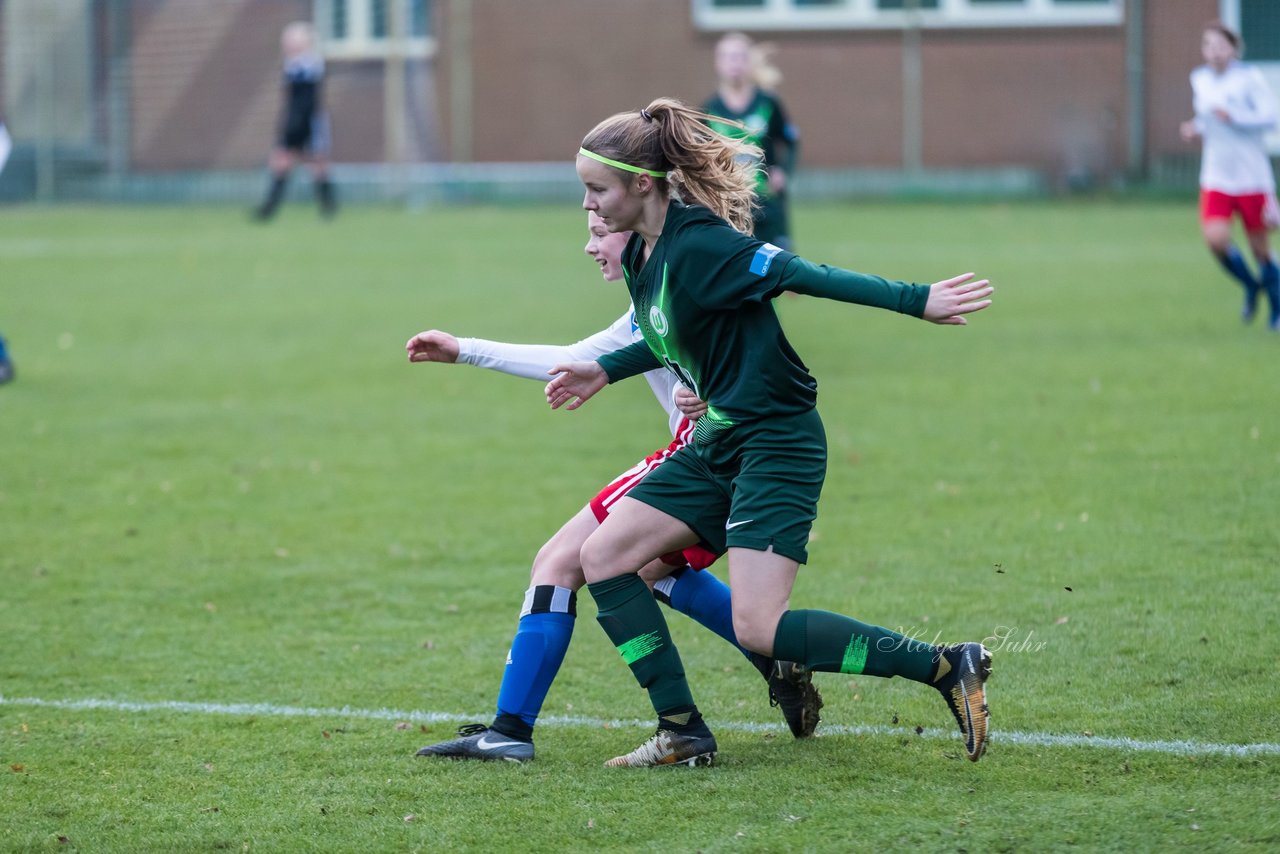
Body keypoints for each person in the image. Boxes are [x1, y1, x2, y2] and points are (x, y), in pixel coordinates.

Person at [545, 98, 995, 768]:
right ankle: (683, 731)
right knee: (604, 559)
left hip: (775, 444)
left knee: (759, 625)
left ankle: (942, 665)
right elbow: (672, 332)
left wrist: (914, 299)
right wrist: (605, 371)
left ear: (642, 185)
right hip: (718, 444)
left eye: (596, 190)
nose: (589, 205)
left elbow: (798, 273)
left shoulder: (701, 245)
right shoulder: (644, 254)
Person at [408, 211, 823, 762]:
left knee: (561, 561)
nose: (589, 245)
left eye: (600, 229)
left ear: (640, 223)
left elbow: (747, 368)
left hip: (707, 461)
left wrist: (708, 398)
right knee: (648, 571)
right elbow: (577, 360)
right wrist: (464, 348)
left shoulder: (679, 293)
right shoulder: (652, 304)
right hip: (718, 462)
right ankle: (770, 659)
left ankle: (514, 730)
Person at [1179, 20, 1280, 330]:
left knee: (1260, 248)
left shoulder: (1249, 79)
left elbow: (1270, 118)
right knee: (1216, 240)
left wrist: (1235, 116)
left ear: (1234, 49)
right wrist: (1194, 127)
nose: (1215, 52)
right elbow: (1207, 117)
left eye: (1221, 46)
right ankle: (1251, 285)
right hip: (1216, 176)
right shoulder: (1200, 79)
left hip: (1251, 177)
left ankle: (1276, 309)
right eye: (1208, 46)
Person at [703, 32, 799, 250]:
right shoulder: (709, 110)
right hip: (729, 206)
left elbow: (791, 141)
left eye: (740, 57)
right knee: (738, 272)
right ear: (718, 63)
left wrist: (783, 172)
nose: (735, 63)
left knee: (779, 271)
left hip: (768, 204)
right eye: (728, 57)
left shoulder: (768, 103)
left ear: (750, 63)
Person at [252, 21, 337, 221]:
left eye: (291, 40)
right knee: (281, 160)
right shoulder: (294, 64)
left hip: (308, 120)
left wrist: (297, 124)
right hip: (294, 119)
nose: (287, 44)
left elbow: (307, 101)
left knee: (317, 163)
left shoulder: (309, 65)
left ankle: (328, 208)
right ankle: (268, 210)